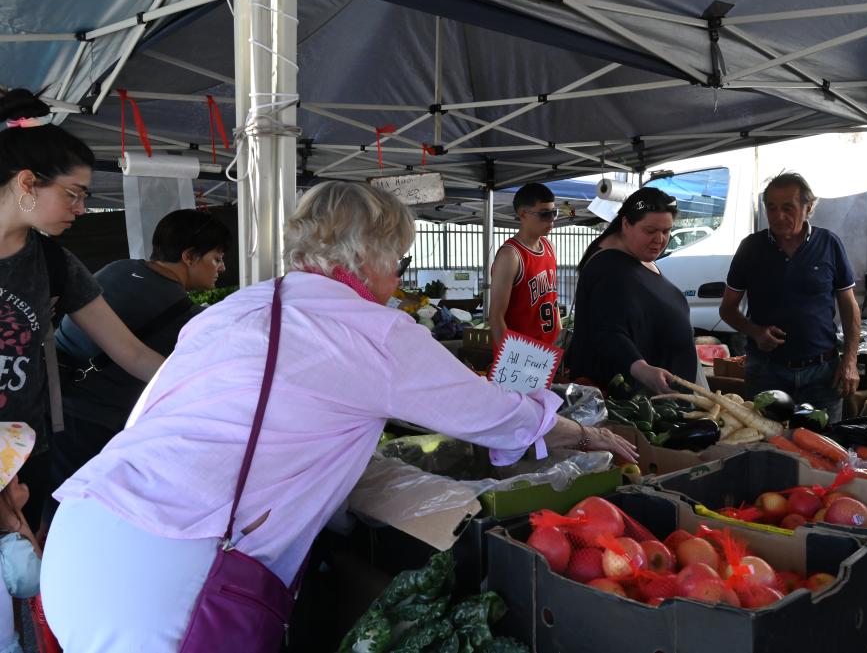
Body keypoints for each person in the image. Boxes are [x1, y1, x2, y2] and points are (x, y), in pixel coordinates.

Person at [40, 181, 637, 651]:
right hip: (169, 576)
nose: (399, 280)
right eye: (401, 263)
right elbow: (496, 415)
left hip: (80, 536)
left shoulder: (238, 307)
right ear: (370, 255)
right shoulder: (370, 330)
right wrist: (583, 432)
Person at [0, 88, 165, 527]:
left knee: (19, 578)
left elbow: (129, 352)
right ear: (27, 183)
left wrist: (207, 384)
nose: (81, 209)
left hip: (23, 460)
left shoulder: (54, 263)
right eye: (73, 194)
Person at [49, 209, 231, 507]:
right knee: (71, 511)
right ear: (189, 256)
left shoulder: (117, 268)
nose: (221, 267)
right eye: (217, 258)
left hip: (52, 406)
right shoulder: (185, 316)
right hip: (94, 425)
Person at [719, 171, 861, 423]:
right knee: (766, 449)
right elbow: (728, 309)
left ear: (809, 207)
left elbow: (849, 307)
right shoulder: (750, 248)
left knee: (825, 451)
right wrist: (755, 332)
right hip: (766, 372)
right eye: (771, 208)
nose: (778, 216)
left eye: (788, 207)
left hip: (822, 373)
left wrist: (850, 360)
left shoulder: (829, 244)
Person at [567, 187, 698, 394]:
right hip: (631, 403)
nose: (660, 239)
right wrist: (641, 369)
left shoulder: (639, 257)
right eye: (650, 231)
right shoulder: (606, 268)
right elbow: (606, 331)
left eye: (666, 231)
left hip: (665, 401)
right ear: (626, 224)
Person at [488, 182, 561, 348]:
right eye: (544, 214)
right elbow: (495, 317)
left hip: (549, 353)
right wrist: (511, 359)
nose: (551, 220)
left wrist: (560, 339)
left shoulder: (549, 247)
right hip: (522, 357)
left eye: (554, 213)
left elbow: (552, 301)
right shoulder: (511, 255)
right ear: (522, 214)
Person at [0, 423, 41, 653]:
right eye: (8, 474)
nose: (16, 476)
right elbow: (36, 576)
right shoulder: (9, 555)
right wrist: (14, 519)